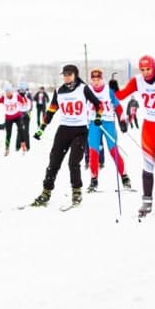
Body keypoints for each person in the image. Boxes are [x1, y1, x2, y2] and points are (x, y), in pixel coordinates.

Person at [29, 64, 105, 206]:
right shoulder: (59, 91)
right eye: (64, 74)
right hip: (64, 130)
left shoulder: (83, 89)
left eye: (69, 74)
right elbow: (51, 111)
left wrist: (98, 117)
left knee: (73, 163)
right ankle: (46, 192)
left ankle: (76, 192)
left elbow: (98, 104)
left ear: (75, 75)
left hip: (80, 130)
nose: (66, 77)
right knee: (53, 163)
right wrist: (42, 128)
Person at [115, 56, 155, 216]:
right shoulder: (137, 81)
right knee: (148, 164)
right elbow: (121, 96)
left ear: (154, 67)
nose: (145, 73)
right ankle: (147, 201)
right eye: (142, 70)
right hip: (149, 126)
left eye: (148, 69)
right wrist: (114, 88)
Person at [85, 68, 131, 191]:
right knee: (93, 152)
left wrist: (122, 121)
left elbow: (118, 107)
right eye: (93, 80)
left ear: (102, 79)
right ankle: (94, 180)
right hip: (94, 123)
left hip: (108, 122)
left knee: (113, 151)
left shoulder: (108, 91)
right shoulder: (87, 90)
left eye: (98, 80)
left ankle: (125, 177)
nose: (96, 82)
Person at [0, 85, 29, 155]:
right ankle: (7, 148)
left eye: (9, 92)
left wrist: (24, 99)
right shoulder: (3, 97)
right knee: (8, 133)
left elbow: (24, 102)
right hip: (8, 117)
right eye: (6, 92)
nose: (8, 93)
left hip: (17, 116)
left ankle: (23, 145)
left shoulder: (16, 96)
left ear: (12, 92)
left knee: (21, 129)